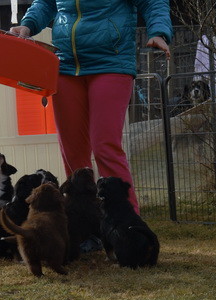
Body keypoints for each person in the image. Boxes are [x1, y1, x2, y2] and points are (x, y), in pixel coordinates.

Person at [10, 0, 173, 215]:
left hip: (111, 63)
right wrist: (28, 24)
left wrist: (159, 31)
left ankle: (127, 219)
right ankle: (84, 220)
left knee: (104, 145)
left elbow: (153, 2)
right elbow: (46, 3)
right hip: (66, 65)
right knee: (73, 151)